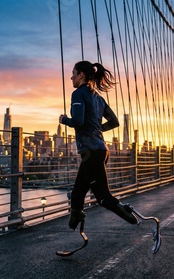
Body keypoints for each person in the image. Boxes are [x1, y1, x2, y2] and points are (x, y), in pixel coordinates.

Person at [59, 60, 138, 230]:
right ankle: (76, 217)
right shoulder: (98, 98)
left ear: (81, 75)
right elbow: (114, 122)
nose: (71, 77)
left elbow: (78, 121)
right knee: (78, 191)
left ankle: (127, 213)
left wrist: (64, 120)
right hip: (101, 150)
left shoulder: (79, 94)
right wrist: (97, 129)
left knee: (102, 196)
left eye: (73, 73)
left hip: (91, 152)